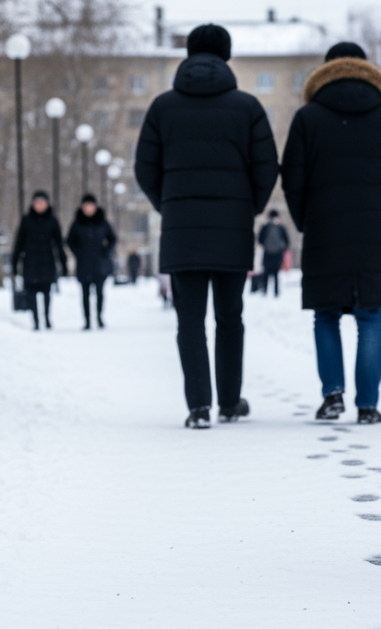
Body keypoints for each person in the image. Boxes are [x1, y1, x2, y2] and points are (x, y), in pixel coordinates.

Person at [135, 23, 279, 429]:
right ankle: (230, 403)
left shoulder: (163, 107)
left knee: (189, 320)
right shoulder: (248, 107)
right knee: (230, 317)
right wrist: (247, 207)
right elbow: (267, 168)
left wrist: (170, 205)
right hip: (232, 230)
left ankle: (198, 406)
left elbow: (145, 168)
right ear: (227, 56)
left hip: (181, 231)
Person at [281, 42, 381, 425]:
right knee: (370, 317)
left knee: (325, 316)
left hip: (323, 230)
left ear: (326, 72)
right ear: (365, 68)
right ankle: (368, 405)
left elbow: (291, 177)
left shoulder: (307, 118)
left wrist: (305, 220)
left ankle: (332, 395)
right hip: (374, 232)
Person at [10, 190, 67, 331]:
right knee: (31, 294)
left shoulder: (53, 221)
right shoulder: (26, 220)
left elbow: (59, 244)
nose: (40, 205)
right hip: (30, 263)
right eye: (37, 202)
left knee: (47, 293)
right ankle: (35, 320)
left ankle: (47, 317)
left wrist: (63, 263)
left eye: (43, 202)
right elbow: (19, 243)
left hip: (47, 262)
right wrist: (14, 262)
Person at [65, 193, 117, 330]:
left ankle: (99, 317)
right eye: (86, 205)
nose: (89, 208)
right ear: (82, 207)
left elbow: (112, 239)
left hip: (100, 264)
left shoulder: (103, 222)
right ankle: (87, 320)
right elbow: (70, 241)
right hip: (83, 264)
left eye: (91, 205)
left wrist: (106, 252)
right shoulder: (77, 223)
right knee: (85, 294)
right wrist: (78, 253)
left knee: (100, 293)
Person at [257, 210, 290, 297]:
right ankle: (276, 292)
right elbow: (287, 241)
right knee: (276, 274)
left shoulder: (265, 227)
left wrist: (266, 245)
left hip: (267, 253)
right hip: (278, 254)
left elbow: (260, 239)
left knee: (266, 273)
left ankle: (265, 291)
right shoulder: (281, 228)